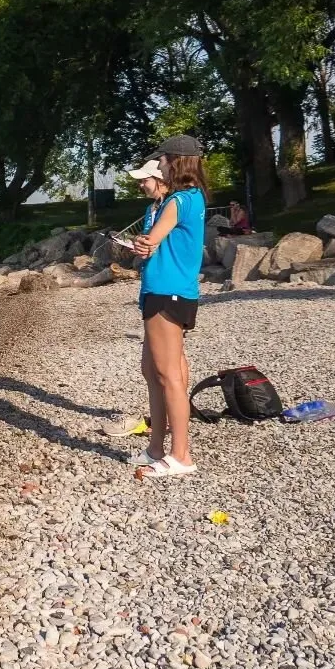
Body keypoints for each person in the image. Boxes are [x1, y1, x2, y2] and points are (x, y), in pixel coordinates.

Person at [128, 135, 208, 479]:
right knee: (153, 370)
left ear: (174, 161)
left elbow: (152, 241)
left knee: (168, 376)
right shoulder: (193, 197)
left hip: (167, 292)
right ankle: (156, 448)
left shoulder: (179, 199)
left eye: (161, 159)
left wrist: (140, 245)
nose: (158, 165)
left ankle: (181, 456)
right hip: (166, 291)